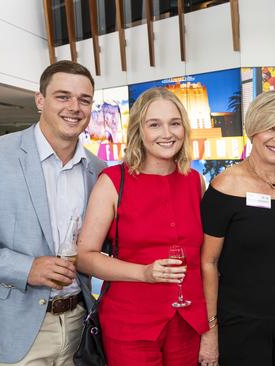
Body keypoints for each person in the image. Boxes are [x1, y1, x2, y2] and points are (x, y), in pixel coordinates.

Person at [0, 60, 105, 365]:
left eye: (84, 99)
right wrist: (26, 268)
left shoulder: (98, 170)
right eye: (62, 96)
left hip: (79, 324)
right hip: (12, 327)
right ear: (40, 100)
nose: (74, 107)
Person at [76, 87, 208, 365]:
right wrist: (144, 273)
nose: (167, 133)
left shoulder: (195, 181)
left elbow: (207, 258)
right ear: (139, 130)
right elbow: (85, 257)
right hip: (130, 324)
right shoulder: (112, 181)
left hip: (187, 322)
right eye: (154, 124)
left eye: (174, 123)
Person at [199, 91, 275, 366]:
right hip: (238, 324)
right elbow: (208, 262)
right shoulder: (224, 187)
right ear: (253, 130)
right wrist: (211, 329)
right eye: (271, 128)